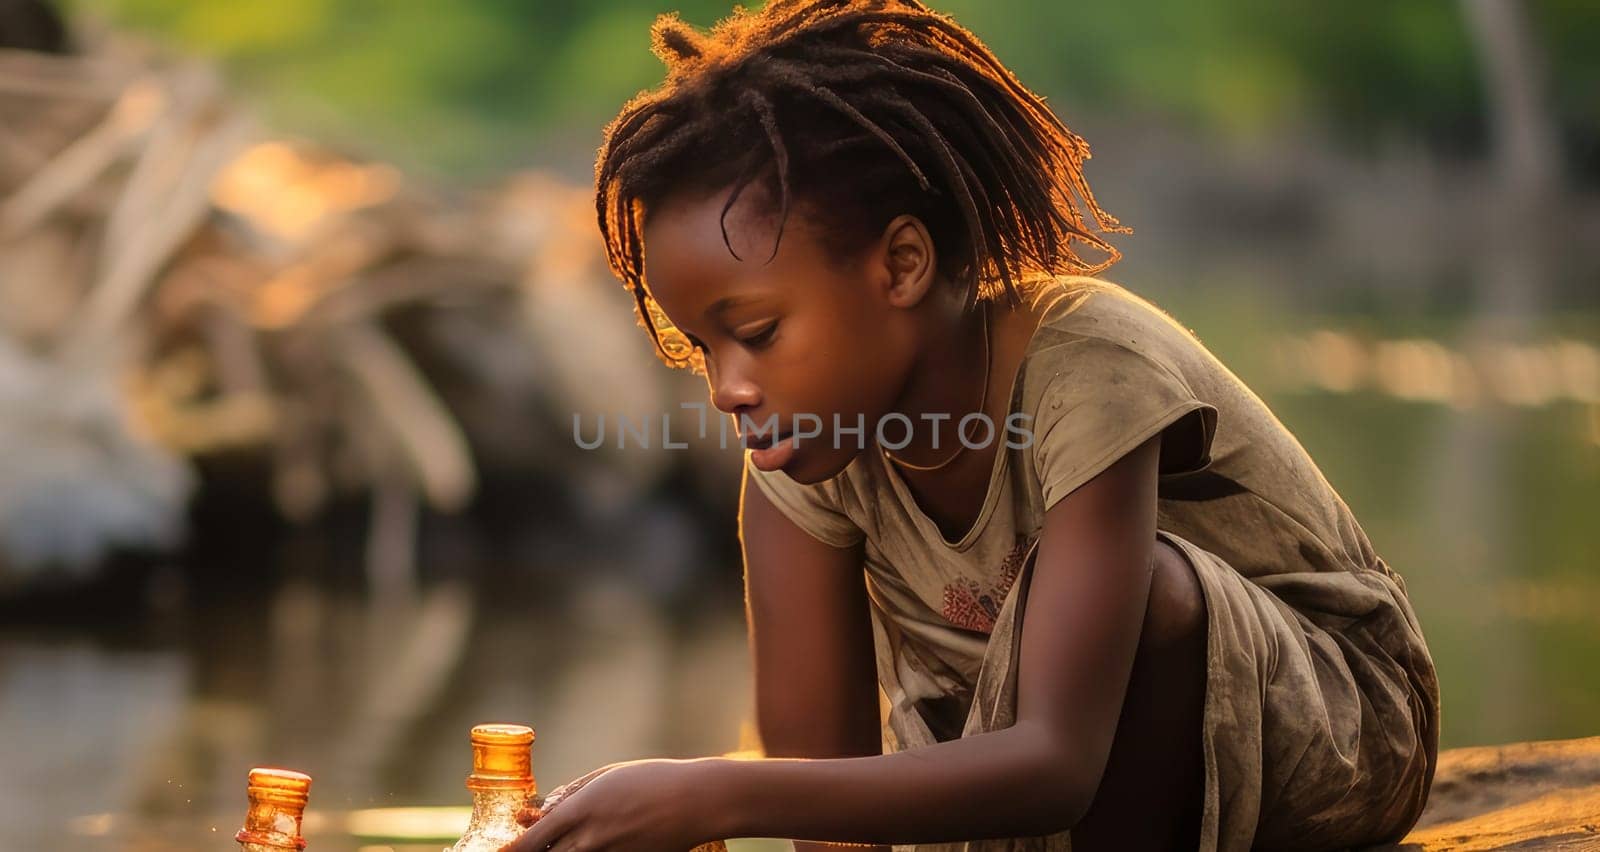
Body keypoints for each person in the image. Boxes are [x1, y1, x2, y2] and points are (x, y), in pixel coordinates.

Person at [505, 1, 1439, 850]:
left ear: (901, 264)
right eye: (703, 349)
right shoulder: (799, 457)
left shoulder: (1090, 367)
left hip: (1328, 739)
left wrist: (715, 795)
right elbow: (821, 794)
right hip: (1011, 777)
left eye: (755, 335)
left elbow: (1056, 765)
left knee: (1154, 592)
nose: (727, 390)